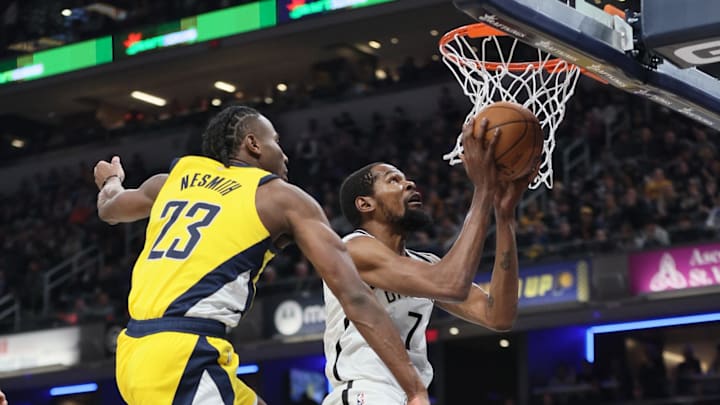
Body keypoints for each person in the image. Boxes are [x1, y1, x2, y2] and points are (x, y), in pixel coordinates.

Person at [93, 106, 430, 405]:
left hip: (132, 353)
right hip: (184, 356)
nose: (284, 155)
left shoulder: (171, 181)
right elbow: (355, 296)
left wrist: (110, 179)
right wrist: (414, 389)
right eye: (276, 142)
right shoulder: (279, 197)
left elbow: (110, 208)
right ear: (253, 144)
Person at [322, 118, 526, 404]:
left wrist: (504, 219)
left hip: (408, 395)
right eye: (393, 180)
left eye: (405, 178)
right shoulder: (352, 250)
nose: (409, 183)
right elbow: (451, 283)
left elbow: (499, 315)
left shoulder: (424, 264)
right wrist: (483, 190)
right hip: (363, 392)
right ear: (365, 204)